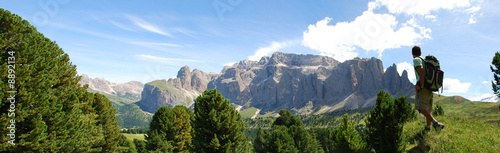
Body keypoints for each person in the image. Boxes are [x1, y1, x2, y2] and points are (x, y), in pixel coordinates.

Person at [412, 46, 445, 131]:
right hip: (430, 86)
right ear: (420, 53)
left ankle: (436, 124)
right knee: (427, 109)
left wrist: (421, 85)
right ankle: (428, 127)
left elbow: (421, 70)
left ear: (412, 53)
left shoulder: (416, 60)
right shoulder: (425, 61)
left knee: (421, 108)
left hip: (424, 87)